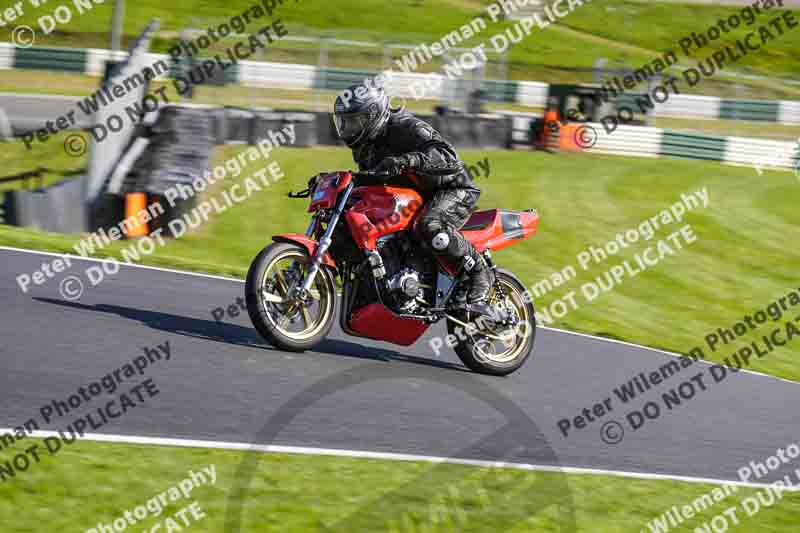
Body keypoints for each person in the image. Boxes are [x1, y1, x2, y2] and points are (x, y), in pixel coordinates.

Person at [332, 83, 495, 316]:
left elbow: (448, 156)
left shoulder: (404, 126)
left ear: (373, 114)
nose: (348, 128)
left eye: (354, 121)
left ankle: (479, 273)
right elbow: (374, 179)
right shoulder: (365, 146)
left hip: (451, 189)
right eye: (345, 122)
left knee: (429, 225)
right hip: (414, 196)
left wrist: (409, 160)